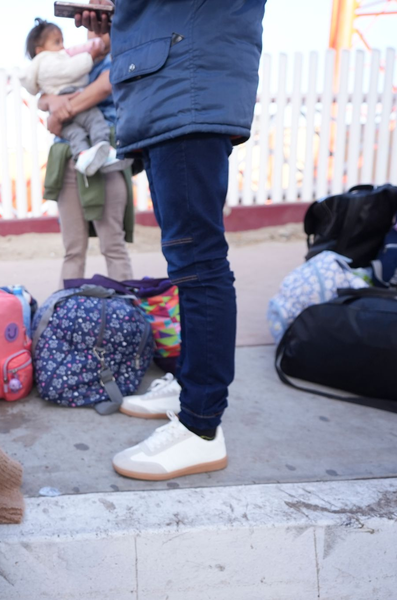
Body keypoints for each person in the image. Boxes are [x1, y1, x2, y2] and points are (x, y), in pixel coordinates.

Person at [77, 1, 266, 480]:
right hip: (171, 84)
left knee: (200, 262)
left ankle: (201, 425)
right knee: (187, 262)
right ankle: (190, 385)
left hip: (190, 82)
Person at [40, 29, 135, 284]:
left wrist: (59, 109)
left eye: (102, 18)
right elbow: (43, 93)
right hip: (68, 154)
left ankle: (126, 317)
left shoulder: (123, 55)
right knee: (73, 249)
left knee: (112, 244)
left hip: (107, 155)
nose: (94, 26)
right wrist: (49, 100)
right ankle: (66, 316)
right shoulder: (72, 62)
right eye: (88, 19)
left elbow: (105, 86)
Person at [20, 18, 112, 175]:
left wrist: (57, 114)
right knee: (93, 121)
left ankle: (83, 155)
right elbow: (47, 95)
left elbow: (104, 86)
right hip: (68, 142)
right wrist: (50, 101)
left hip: (66, 127)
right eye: (91, 25)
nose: (62, 47)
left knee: (76, 133)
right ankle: (102, 149)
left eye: (106, 26)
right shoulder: (59, 61)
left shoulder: (112, 61)